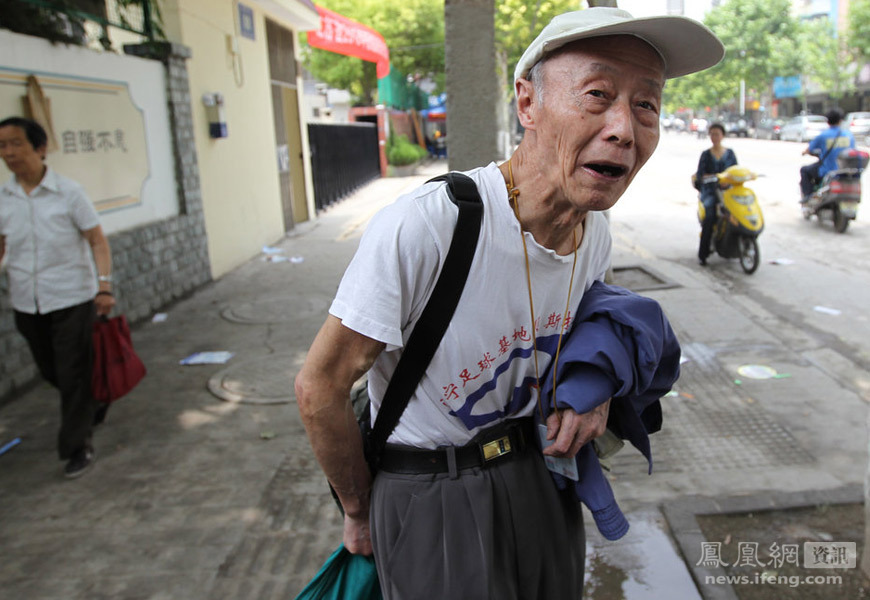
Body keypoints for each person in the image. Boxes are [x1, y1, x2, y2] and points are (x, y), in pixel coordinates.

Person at [295, 7, 723, 599]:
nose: (625, 127)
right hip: (432, 496)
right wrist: (360, 509)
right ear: (528, 104)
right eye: (598, 94)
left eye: (646, 104)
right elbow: (319, 387)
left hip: (541, 479)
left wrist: (593, 397)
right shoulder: (428, 226)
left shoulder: (592, 229)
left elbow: (583, 336)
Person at [0, 116, 116, 479]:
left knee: (72, 372)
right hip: (27, 300)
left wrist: (104, 286)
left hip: (71, 297)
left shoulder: (69, 192)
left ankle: (77, 445)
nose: (8, 152)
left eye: (15, 143)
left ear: (39, 148)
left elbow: (97, 240)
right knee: (52, 370)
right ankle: (95, 401)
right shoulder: (1, 198)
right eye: (1, 145)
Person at [695, 122, 738, 265]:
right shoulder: (706, 155)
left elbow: (736, 171)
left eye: (717, 134)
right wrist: (712, 178)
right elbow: (700, 175)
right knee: (710, 216)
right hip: (710, 191)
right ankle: (703, 253)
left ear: (723, 136)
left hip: (728, 191)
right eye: (712, 134)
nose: (714, 137)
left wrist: (729, 180)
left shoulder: (730, 153)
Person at [800, 109, 856, 200]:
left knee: (804, 170)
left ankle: (808, 197)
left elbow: (808, 149)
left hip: (828, 171)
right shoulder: (849, 135)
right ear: (840, 121)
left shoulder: (823, 135)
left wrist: (805, 152)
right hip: (845, 172)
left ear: (828, 121)